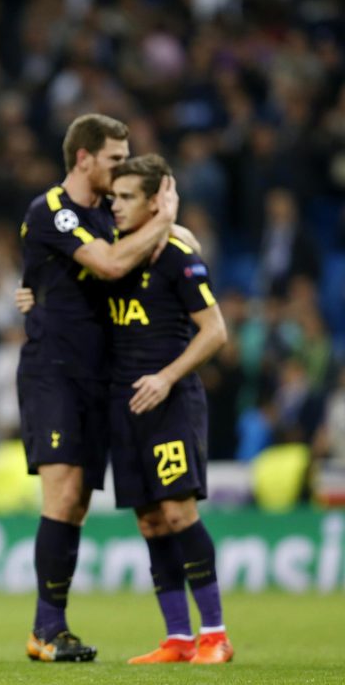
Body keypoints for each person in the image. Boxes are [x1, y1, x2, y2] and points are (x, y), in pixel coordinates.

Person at [16, 114, 178, 662]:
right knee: (62, 495)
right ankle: (45, 628)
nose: (123, 167)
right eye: (114, 158)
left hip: (99, 375)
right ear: (84, 158)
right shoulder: (52, 211)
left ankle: (53, 626)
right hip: (53, 373)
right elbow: (109, 266)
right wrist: (165, 220)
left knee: (79, 502)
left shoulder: (111, 216)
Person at [107, 154, 232, 665]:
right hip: (123, 405)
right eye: (113, 196)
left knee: (180, 512)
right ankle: (178, 638)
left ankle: (216, 635)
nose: (115, 205)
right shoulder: (110, 253)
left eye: (127, 196)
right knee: (151, 522)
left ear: (155, 201)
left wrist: (166, 377)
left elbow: (216, 330)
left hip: (171, 402)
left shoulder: (178, 254)